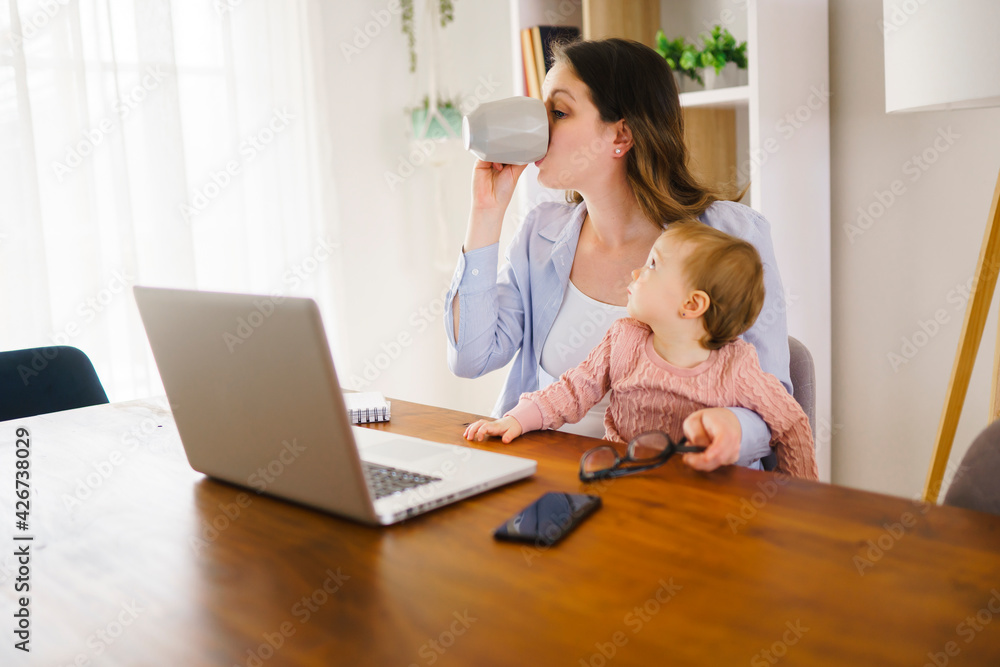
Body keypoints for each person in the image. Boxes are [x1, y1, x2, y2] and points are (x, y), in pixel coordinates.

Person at [445, 38, 791, 472]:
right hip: (559, 477)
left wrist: (733, 429)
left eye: (559, 112)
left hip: (687, 488)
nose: (541, 128)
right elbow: (470, 358)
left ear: (621, 134)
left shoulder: (731, 235)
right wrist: (486, 214)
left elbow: (775, 399)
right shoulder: (541, 233)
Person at [463, 223, 818, 479]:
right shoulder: (623, 340)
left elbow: (790, 424)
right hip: (633, 481)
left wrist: (800, 501)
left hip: (713, 496)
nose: (636, 271)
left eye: (652, 265)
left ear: (692, 304)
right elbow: (572, 391)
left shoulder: (737, 367)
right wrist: (515, 419)